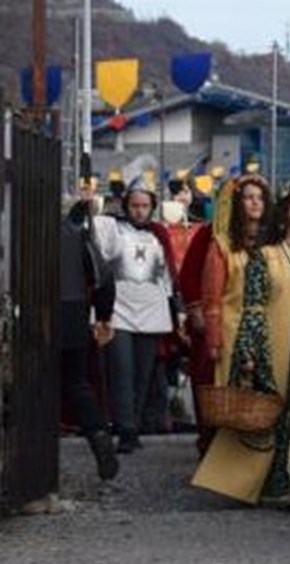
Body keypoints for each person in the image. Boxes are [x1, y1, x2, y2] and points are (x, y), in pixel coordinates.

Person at [192, 184, 290, 511]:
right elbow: (253, 308)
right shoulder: (265, 256)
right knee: (282, 418)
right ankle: (283, 486)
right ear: (285, 213)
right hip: (278, 353)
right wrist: (248, 351)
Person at [92, 185, 185, 451]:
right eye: (135, 205)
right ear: (126, 206)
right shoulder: (113, 229)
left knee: (143, 375)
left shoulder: (159, 235)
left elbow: (167, 276)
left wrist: (177, 310)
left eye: (145, 206)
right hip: (119, 311)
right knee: (121, 371)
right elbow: (97, 238)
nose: (140, 211)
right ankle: (125, 429)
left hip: (152, 311)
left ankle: (134, 422)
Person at [182, 173, 270, 452]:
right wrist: (200, 312)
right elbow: (192, 277)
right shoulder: (215, 238)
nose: (254, 203)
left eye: (259, 198)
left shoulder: (273, 241)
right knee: (216, 384)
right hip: (226, 325)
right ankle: (214, 446)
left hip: (265, 326)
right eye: (248, 198)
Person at [57, 196, 120, 481]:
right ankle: (98, 435)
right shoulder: (76, 234)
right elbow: (104, 277)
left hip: (31, 315)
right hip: (73, 314)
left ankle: (30, 460)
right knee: (77, 384)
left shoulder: (19, 225)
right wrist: (104, 316)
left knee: (30, 388)